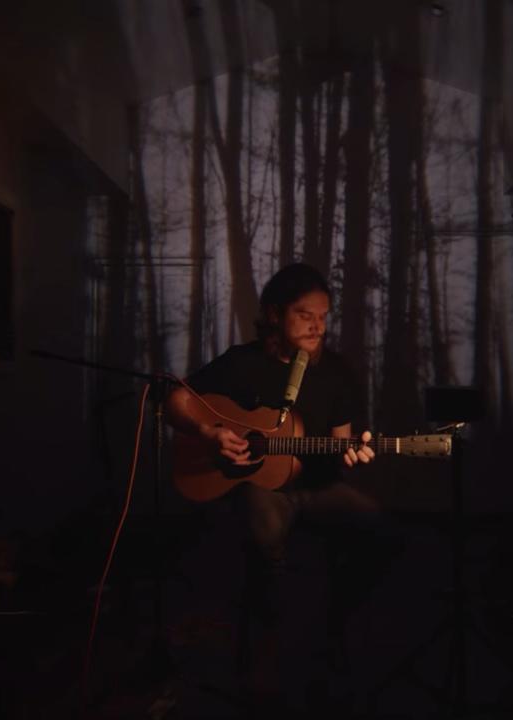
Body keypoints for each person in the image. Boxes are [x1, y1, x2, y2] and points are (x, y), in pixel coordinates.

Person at [166, 263, 388, 707]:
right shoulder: (242, 362)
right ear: (273, 314)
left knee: (380, 531)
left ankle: (331, 630)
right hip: (265, 489)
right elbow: (176, 398)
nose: (317, 326)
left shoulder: (337, 372)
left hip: (318, 488)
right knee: (262, 528)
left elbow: (342, 445)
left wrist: (353, 454)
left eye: (323, 316)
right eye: (305, 314)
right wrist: (208, 433)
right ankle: (263, 654)